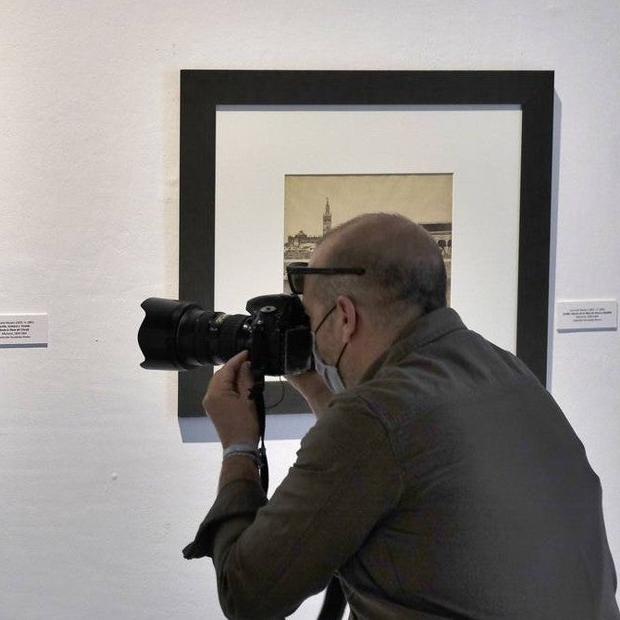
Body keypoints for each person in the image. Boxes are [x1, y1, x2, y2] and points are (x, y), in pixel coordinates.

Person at [195, 212, 619, 619]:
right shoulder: (507, 371)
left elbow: (248, 593)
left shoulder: (371, 419)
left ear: (344, 317)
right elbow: (388, 465)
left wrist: (239, 446)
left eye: (311, 318)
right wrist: (315, 385)